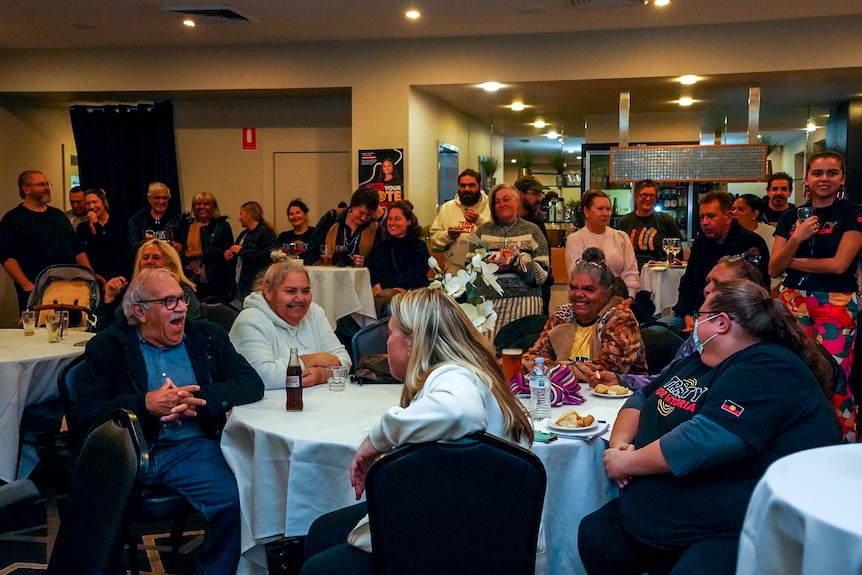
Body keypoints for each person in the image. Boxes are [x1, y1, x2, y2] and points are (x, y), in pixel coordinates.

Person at [578, 278, 840, 575]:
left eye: (700, 316)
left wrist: (630, 463)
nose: (694, 325)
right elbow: (642, 398)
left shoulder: (770, 366)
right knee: (596, 534)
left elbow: (706, 437)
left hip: (732, 528)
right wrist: (619, 447)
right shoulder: (702, 360)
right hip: (661, 518)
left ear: (721, 323)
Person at [300, 287, 533, 575]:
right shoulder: (468, 372)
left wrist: (375, 439)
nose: (385, 343)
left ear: (412, 343)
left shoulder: (455, 375)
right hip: (470, 515)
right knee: (324, 530)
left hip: (461, 537)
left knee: (317, 567)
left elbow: (461, 412)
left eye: (390, 334)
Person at [69, 267, 264, 575]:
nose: (183, 308)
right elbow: (82, 415)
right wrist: (144, 404)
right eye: (170, 301)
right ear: (139, 311)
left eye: (183, 298)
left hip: (190, 449)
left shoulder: (207, 337)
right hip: (129, 453)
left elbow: (251, 383)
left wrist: (203, 401)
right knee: (92, 513)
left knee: (237, 501)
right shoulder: (109, 346)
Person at [770, 151, 862, 442]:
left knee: (834, 373)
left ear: (842, 179)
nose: (825, 179)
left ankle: (842, 443)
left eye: (832, 173)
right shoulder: (790, 217)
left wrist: (791, 260)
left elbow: (839, 265)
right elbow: (773, 268)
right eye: (818, 173)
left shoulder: (852, 213)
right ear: (807, 179)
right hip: (792, 298)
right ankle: (794, 438)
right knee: (792, 368)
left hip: (835, 300)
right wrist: (797, 238)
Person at [593, 251, 764, 391]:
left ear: (743, 290)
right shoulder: (699, 336)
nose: (707, 289)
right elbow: (667, 379)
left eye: (718, 283)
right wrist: (620, 380)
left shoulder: (758, 346)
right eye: (708, 281)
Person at [524, 247, 647, 380]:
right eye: (573, 288)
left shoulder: (622, 319)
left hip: (616, 396)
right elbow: (534, 357)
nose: (578, 294)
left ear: (608, 292)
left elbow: (605, 369)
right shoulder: (563, 315)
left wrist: (552, 368)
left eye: (589, 289)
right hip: (565, 392)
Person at [229, 259, 351, 389]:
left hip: (317, 402)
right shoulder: (250, 320)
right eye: (291, 291)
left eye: (306, 291)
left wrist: (321, 375)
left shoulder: (314, 313)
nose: (300, 298)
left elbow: (342, 359)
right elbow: (261, 376)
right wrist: (309, 361)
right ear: (269, 292)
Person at [670, 190, 770, 333]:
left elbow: (757, 291)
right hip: (694, 314)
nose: (704, 222)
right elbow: (688, 283)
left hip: (734, 319)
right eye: (702, 217)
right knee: (658, 333)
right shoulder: (700, 243)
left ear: (728, 217)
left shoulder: (751, 243)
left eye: (711, 216)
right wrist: (687, 315)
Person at [0, 170, 91, 312]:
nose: (47, 188)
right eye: (41, 184)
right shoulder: (13, 219)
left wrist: (89, 277)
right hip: (36, 291)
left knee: (73, 330)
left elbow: (77, 249)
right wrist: (26, 285)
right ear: (26, 189)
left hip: (69, 287)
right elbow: (6, 256)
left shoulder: (58, 215)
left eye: (47, 184)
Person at [475, 183, 550, 335]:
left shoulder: (532, 230)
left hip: (525, 303)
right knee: (488, 353)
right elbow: (470, 266)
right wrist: (489, 265)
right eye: (496, 201)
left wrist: (518, 266)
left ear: (516, 202)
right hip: (489, 304)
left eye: (506, 199)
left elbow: (543, 273)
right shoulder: (482, 231)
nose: (501, 204)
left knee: (522, 354)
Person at [96, 239, 204, 330]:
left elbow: (195, 332)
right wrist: (109, 298)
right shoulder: (132, 292)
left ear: (169, 265)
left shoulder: (182, 292)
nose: (149, 261)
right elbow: (106, 331)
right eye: (145, 257)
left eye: (156, 258)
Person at [565, 189, 640, 297]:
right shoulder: (575, 239)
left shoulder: (621, 237)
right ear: (586, 211)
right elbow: (577, 276)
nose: (605, 213)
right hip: (587, 299)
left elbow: (631, 272)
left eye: (608, 209)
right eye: (600, 209)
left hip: (620, 298)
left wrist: (630, 297)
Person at [365, 200, 430, 317]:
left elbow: (417, 274)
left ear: (408, 221)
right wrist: (376, 285)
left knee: (385, 298)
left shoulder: (419, 246)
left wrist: (387, 285)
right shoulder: (381, 245)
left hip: (411, 291)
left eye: (397, 218)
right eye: (390, 219)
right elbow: (372, 269)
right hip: (381, 291)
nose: (392, 223)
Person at [428, 168, 492, 274]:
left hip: (484, 271)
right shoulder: (447, 208)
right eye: (463, 186)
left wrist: (479, 220)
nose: (466, 189)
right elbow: (434, 239)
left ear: (480, 187)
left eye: (471, 185)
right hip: (454, 271)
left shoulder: (491, 206)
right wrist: (448, 235)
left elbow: (497, 234)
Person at [174, 192, 235, 303]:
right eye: (198, 204)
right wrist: (183, 253)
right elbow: (179, 248)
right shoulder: (184, 225)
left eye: (206, 204)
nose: (202, 207)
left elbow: (226, 251)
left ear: (213, 207)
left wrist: (202, 253)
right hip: (189, 278)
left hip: (215, 280)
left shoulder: (222, 226)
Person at [617, 179, 682, 270]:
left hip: (660, 275)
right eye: (644, 195)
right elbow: (618, 253)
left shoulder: (667, 221)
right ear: (636, 197)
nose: (648, 199)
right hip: (632, 273)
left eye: (652, 196)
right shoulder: (624, 222)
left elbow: (678, 254)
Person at [514, 174, 555, 316]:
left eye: (540, 193)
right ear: (520, 194)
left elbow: (546, 254)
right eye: (535, 193)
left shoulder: (536, 221)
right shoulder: (507, 222)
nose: (540, 198)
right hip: (514, 293)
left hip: (540, 289)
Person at [225, 201, 279, 304]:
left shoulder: (266, 233)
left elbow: (267, 256)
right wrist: (229, 253)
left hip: (255, 283)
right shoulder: (244, 234)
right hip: (240, 282)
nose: (239, 218)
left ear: (250, 215)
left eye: (241, 214)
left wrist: (241, 251)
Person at [311, 186, 380, 267]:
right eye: (361, 213)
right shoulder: (332, 218)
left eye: (368, 215)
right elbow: (312, 251)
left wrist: (364, 263)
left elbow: (378, 261)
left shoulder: (374, 227)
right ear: (352, 206)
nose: (363, 218)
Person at [75, 188, 128, 281]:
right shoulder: (82, 228)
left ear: (104, 202)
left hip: (115, 275)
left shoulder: (118, 223)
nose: (91, 206)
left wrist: (97, 225)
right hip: (93, 276)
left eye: (95, 202)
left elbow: (114, 247)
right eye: (88, 203)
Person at [127, 181, 182, 254]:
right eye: (157, 198)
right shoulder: (136, 221)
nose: (161, 201)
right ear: (149, 198)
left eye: (165, 198)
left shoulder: (177, 219)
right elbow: (133, 246)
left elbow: (184, 244)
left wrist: (180, 247)